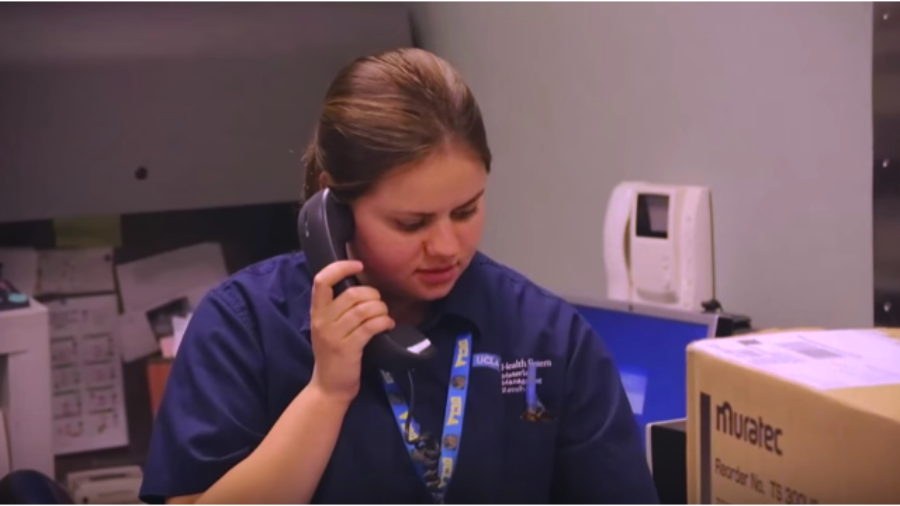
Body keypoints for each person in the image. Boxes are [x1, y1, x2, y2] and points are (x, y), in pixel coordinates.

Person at [139, 47, 659, 506]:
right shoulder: (244, 324)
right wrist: (325, 394)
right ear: (332, 207)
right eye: (410, 223)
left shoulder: (547, 335)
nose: (447, 247)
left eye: (466, 211)